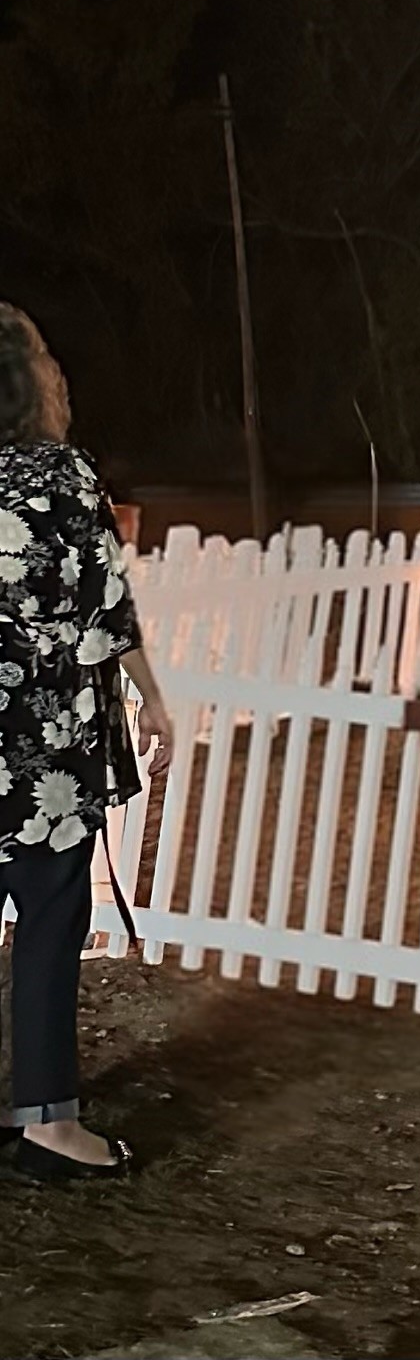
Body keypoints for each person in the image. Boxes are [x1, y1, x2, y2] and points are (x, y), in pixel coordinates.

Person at [0, 304, 171, 1180]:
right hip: (42, 754)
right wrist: (153, 702)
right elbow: (109, 603)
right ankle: (47, 1125)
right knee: (48, 926)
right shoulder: (58, 475)